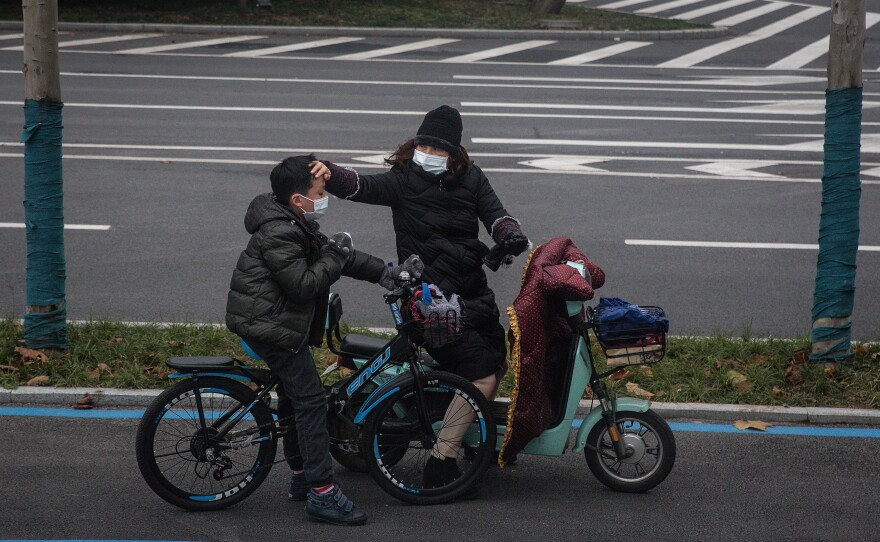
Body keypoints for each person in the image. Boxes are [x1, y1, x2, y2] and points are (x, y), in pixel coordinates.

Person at [320, 105, 530, 489]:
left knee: (497, 363)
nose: (429, 155)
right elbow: (359, 186)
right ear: (415, 146)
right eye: (425, 146)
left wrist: (510, 236)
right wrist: (328, 173)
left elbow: (498, 216)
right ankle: (441, 461)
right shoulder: (403, 181)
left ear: (455, 153)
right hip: (429, 303)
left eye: (439, 149)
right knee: (482, 376)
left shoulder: (474, 179)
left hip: (472, 294)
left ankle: (464, 431)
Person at [225, 154, 403, 526]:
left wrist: (388, 274)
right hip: (270, 328)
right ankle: (323, 493)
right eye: (320, 191)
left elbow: (338, 258)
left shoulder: (290, 220)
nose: (325, 196)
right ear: (297, 199)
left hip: (273, 321)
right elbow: (305, 285)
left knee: (294, 397)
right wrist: (335, 256)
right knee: (312, 405)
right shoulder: (281, 231)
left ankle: (303, 476)